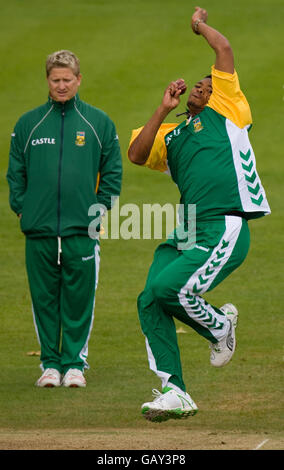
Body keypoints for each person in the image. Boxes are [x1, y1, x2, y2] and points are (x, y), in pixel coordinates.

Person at [128, 7, 270, 422]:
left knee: (176, 290)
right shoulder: (172, 136)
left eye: (208, 85)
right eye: (198, 85)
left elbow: (222, 47)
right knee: (150, 297)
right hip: (189, 230)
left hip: (224, 225)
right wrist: (162, 108)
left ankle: (220, 328)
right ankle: (175, 391)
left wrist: (197, 26)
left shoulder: (229, 111)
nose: (200, 87)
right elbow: (137, 155)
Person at [7, 50, 122, 388]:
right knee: (43, 300)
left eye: (67, 80)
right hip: (39, 230)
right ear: (48, 81)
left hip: (81, 231)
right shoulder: (28, 124)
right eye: (55, 80)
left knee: (79, 299)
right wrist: (22, 208)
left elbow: (112, 171)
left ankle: (74, 364)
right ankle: (50, 365)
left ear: (78, 80)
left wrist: (100, 210)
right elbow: (16, 173)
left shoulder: (98, 123)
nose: (61, 85)